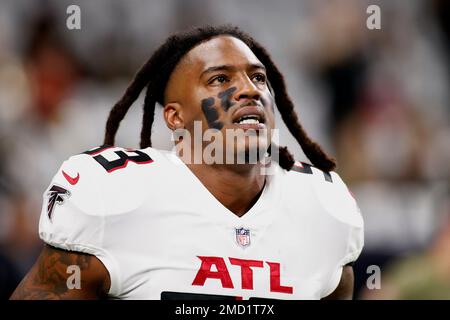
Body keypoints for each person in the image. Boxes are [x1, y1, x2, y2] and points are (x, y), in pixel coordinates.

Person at [10, 25, 363, 300]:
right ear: (175, 117)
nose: (250, 89)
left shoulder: (321, 208)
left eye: (258, 77)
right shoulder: (115, 199)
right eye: (220, 79)